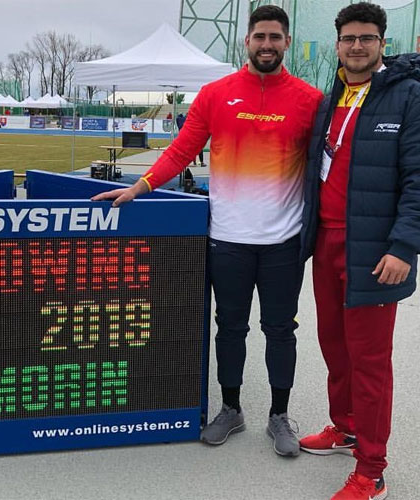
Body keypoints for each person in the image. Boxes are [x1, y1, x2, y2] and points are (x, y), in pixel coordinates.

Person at [92, 5, 322, 457]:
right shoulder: (216, 94)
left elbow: (327, 164)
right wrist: (139, 186)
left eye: (276, 37)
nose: (267, 45)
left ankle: (279, 416)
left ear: (287, 43)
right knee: (229, 328)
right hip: (228, 240)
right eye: (260, 37)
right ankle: (231, 409)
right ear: (247, 41)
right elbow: (180, 151)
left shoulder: (309, 99)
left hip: (284, 242)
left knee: (280, 331)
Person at [298, 3, 420, 499]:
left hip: (375, 250)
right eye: (349, 38)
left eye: (367, 38)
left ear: (383, 43)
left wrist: (404, 247)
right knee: (334, 347)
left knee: (369, 360)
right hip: (327, 241)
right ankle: (344, 427)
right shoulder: (331, 98)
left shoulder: (414, 100)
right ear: (337, 44)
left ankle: (372, 467)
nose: (357, 46)